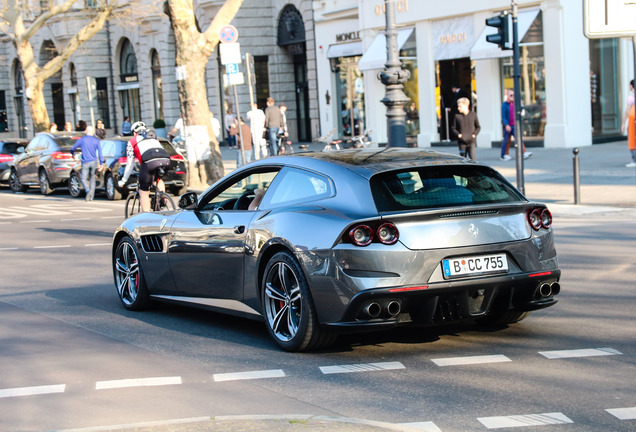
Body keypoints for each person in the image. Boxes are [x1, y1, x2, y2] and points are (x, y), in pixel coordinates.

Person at [118, 122, 171, 212]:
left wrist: (123, 180)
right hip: (165, 160)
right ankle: (162, 197)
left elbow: (130, 164)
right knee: (158, 180)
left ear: (134, 133)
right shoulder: (154, 138)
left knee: (143, 191)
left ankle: (146, 216)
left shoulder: (132, 141)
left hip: (149, 162)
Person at [70, 125, 104, 202]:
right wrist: (101, 163)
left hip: (85, 162)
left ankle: (88, 190)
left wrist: (73, 154)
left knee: (83, 178)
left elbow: (72, 148)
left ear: (86, 131)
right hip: (94, 161)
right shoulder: (96, 141)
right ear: (93, 132)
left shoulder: (82, 139)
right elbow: (100, 153)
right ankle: (91, 196)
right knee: (92, 178)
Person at [501, 90, 532, 160]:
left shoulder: (515, 104)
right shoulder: (504, 105)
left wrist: (521, 104)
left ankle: (523, 153)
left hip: (515, 125)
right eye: (511, 95)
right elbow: (503, 116)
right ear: (507, 96)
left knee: (518, 139)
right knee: (506, 140)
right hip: (508, 125)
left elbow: (521, 112)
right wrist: (506, 125)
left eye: (513, 95)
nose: (512, 97)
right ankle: (504, 155)